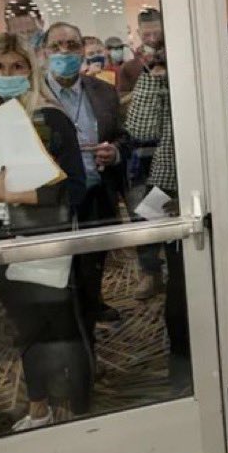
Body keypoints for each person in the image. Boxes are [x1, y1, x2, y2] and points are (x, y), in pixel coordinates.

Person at [0, 32, 90, 430]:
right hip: (6, 241)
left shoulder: (51, 117)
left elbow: (75, 187)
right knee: (26, 330)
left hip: (48, 240)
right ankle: (38, 406)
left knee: (58, 330)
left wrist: (17, 196)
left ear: (31, 70)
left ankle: (69, 408)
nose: (7, 75)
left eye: (17, 66)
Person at [41, 22, 130, 329]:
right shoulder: (33, 97)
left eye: (72, 45)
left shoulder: (104, 92)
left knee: (94, 258)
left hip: (97, 190)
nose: (64, 52)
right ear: (44, 53)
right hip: (54, 198)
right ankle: (68, 321)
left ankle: (92, 304)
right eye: (56, 46)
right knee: (60, 265)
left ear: (82, 51)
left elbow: (122, 136)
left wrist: (115, 152)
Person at [124, 40, 192, 396]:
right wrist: (154, 75)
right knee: (180, 287)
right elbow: (140, 129)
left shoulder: (227, 74)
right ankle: (183, 369)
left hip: (227, 189)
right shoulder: (162, 79)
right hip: (172, 190)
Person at [117, 8, 164, 96]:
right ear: (138, 33)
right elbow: (123, 101)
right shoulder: (128, 67)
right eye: (146, 35)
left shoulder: (173, 59)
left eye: (157, 33)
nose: (152, 39)